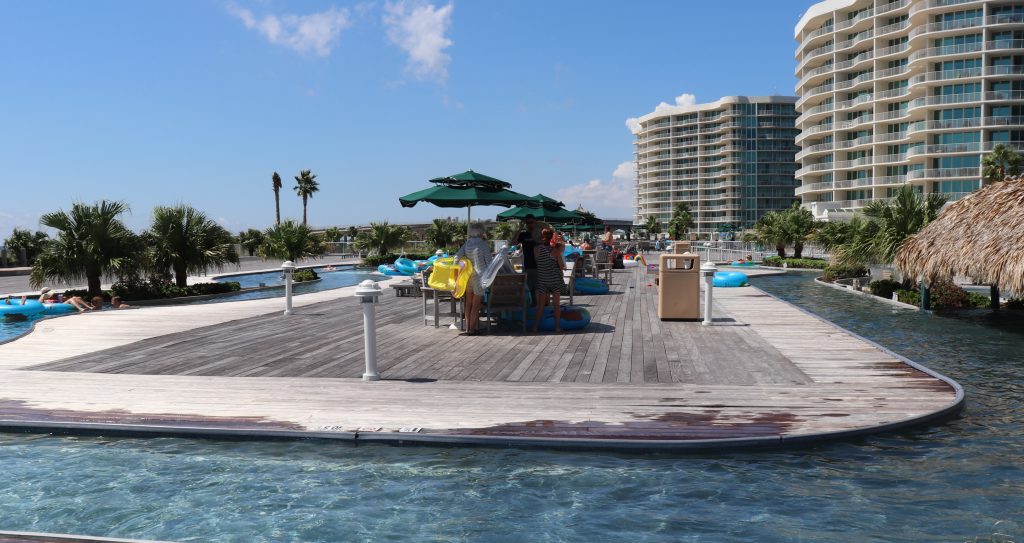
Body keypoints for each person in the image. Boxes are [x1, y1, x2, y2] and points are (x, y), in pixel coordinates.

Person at [455, 224, 494, 335]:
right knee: (476, 304)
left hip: (468, 276)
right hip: (480, 276)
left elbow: (457, 257)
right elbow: (489, 262)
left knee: (468, 303)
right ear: (480, 232)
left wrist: (459, 269)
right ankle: (472, 329)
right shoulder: (483, 244)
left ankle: (467, 328)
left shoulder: (467, 244)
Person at [531, 228, 568, 333]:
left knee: (541, 305)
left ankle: (535, 327)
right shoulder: (555, 250)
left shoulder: (536, 249)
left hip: (542, 279)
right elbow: (561, 266)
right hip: (554, 279)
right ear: (552, 237)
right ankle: (557, 327)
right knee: (556, 305)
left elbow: (539, 263)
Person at [515, 214, 548, 295]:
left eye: (531, 222)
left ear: (535, 222)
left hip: (540, 266)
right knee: (528, 289)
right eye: (527, 222)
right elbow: (514, 243)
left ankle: (539, 305)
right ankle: (533, 305)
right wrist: (519, 229)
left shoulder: (540, 234)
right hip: (527, 265)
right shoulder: (523, 234)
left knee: (539, 289)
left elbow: (549, 238)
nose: (529, 224)